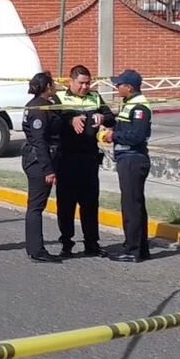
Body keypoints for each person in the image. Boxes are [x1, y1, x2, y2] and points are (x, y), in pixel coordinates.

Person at [55, 65, 114, 257]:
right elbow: (53, 121)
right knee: (66, 204)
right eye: (81, 83)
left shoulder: (95, 97)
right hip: (67, 158)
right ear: (70, 82)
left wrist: (102, 116)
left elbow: (112, 118)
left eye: (88, 83)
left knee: (90, 203)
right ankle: (66, 243)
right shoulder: (59, 99)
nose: (84, 87)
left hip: (89, 159)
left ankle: (92, 243)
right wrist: (69, 120)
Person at [102, 69, 153, 263]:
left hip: (133, 159)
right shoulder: (129, 104)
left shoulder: (139, 107)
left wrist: (113, 135)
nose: (117, 87)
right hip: (128, 158)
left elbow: (137, 137)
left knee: (131, 206)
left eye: (119, 84)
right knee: (134, 204)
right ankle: (139, 248)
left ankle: (133, 250)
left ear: (129, 87)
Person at [22, 71, 63, 263]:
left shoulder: (42, 104)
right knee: (36, 206)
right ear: (47, 86)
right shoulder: (39, 109)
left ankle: (35, 248)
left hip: (39, 158)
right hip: (38, 161)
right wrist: (48, 169)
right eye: (52, 84)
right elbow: (39, 141)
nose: (54, 86)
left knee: (36, 205)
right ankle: (36, 250)